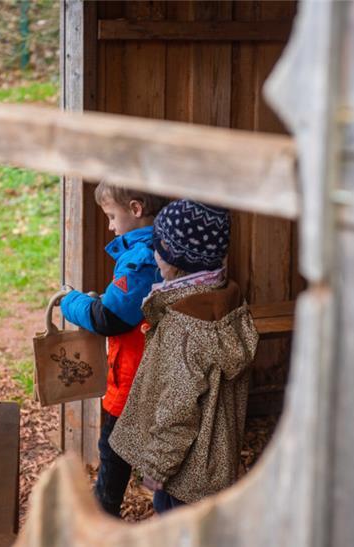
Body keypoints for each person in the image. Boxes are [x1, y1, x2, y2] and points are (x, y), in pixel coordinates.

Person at [109, 199, 259, 514]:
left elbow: (177, 413)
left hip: (182, 478)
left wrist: (155, 472)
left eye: (159, 248)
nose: (153, 255)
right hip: (214, 468)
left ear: (178, 258)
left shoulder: (185, 326)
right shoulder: (227, 303)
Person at [59, 183, 167, 517]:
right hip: (155, 372)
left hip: (135, 374)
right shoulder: (165, 246)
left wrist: (71, 302)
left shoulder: (141, 258)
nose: (109, 226)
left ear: (135, 209)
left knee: (112, 449)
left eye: (111, 216)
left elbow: (111, 319)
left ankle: (100, 518)